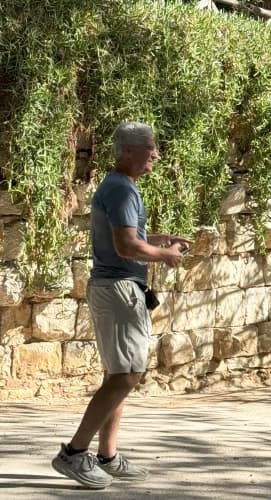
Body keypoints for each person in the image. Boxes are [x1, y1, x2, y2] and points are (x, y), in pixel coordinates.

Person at [51, 122, 192, 489]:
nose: (156, 154)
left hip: (117, 288)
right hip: (118, 289)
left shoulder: (120, 188)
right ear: (128, 151)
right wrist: (165, 255)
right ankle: (74, 453)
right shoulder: (121, 190)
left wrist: (158, 239)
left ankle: (107, 456)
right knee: (126, 375)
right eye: (150, 147)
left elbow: (127, 238)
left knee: (120, 374)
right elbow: (126, 247)